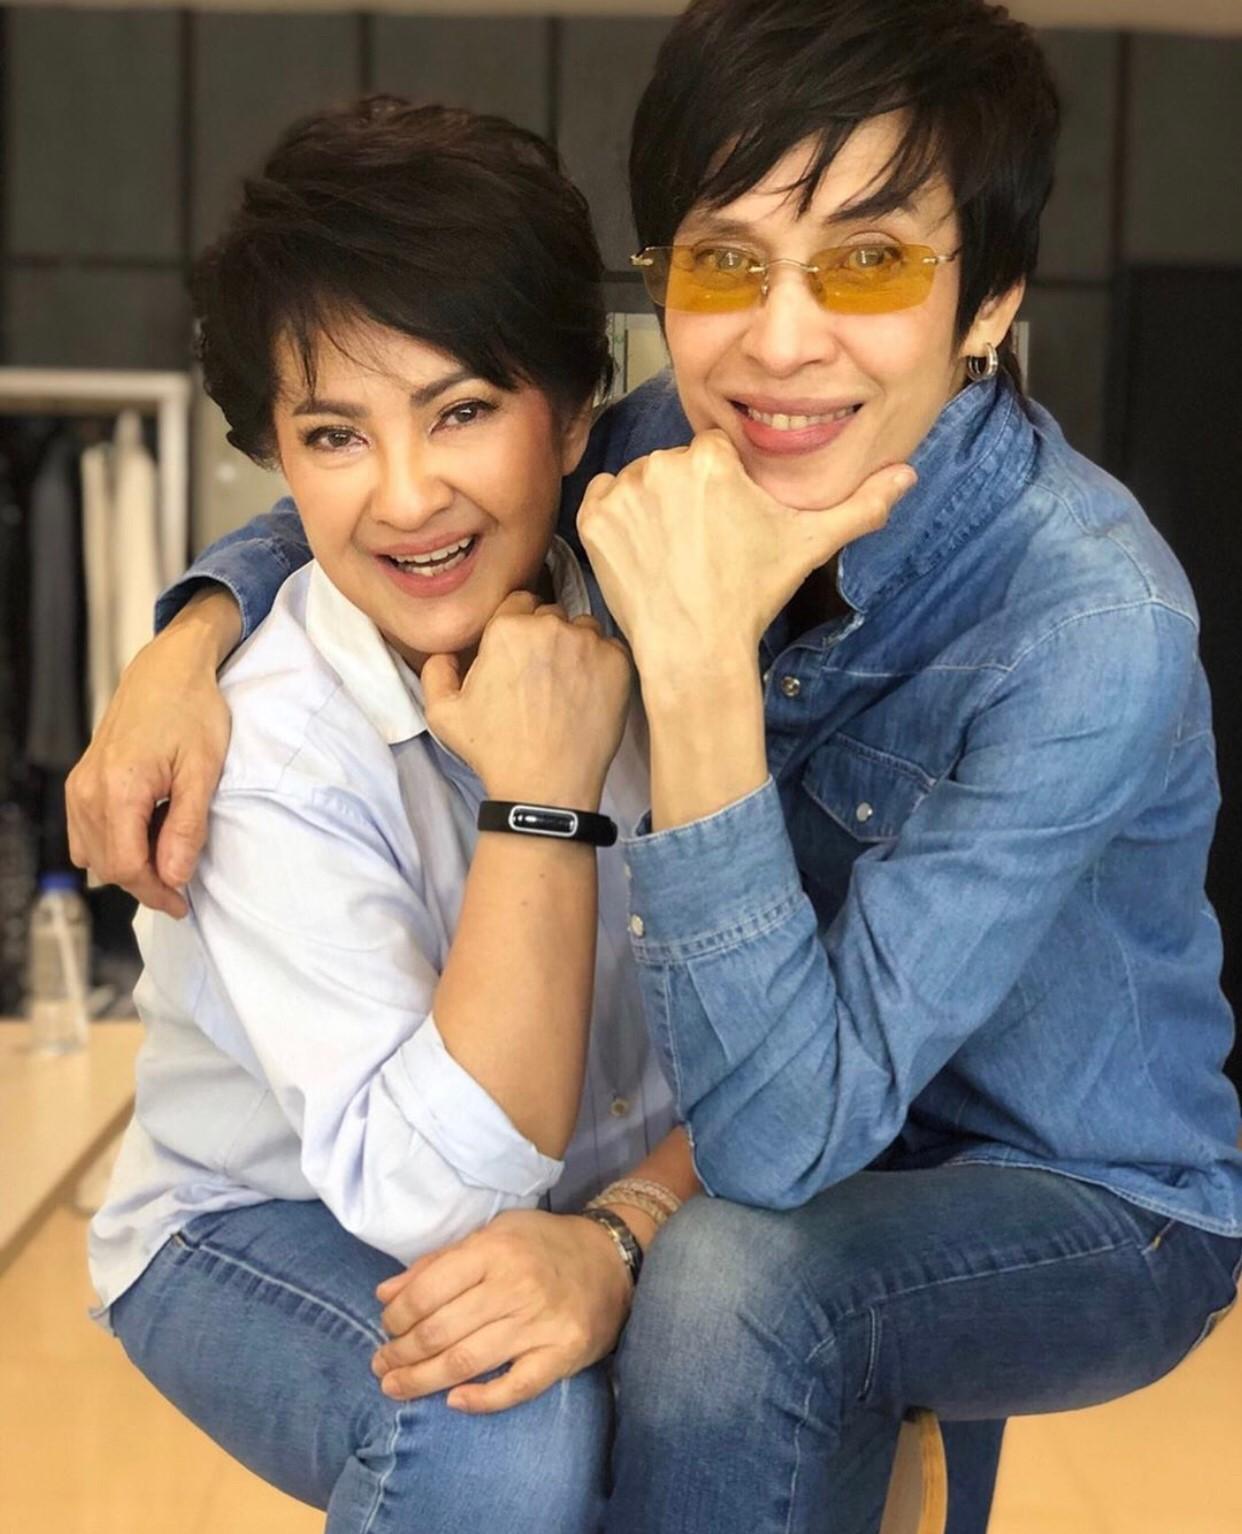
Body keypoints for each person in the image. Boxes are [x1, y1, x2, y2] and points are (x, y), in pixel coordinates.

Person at [71, 2, 1242, 1531]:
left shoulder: (1088, 625)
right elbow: (426, 472)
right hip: (779, 1112)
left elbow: (782, 1141)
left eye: (868, 262)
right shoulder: (663, 450)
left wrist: (691, 683)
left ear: (990, 302)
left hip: (1062, 1185)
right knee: (612, 1355)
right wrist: (190, 635)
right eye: (724, 264)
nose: (780, 339)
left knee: (732, 1288)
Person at [83, 95, 896, 1533]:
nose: (407, 497)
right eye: (334, 434)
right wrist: (539, 805)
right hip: (260, 1215)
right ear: (278, 454)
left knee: (808, 1339)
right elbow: (434, 1194)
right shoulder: (264, 746)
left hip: (611, 1188)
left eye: (461, 411)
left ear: (575, 414)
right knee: (497, 1416)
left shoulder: (678, 616)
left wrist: (622, 1235)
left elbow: (782, 1042)